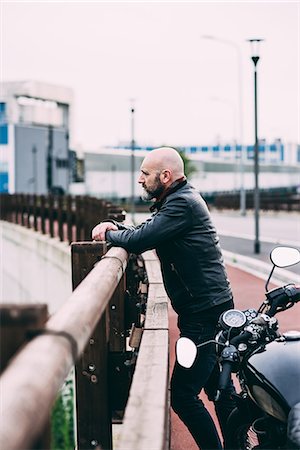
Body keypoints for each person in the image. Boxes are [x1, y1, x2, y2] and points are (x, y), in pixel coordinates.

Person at [92, 147, 235, 450]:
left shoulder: (181, 204)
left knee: (183, 395)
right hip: (208, 308)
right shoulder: (178, 200)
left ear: (165, 176)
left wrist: (108, 235)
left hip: (203, 315)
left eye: (145, 173)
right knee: (218, 390)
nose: (139, 179)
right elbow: (147, 231)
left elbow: (140, 240)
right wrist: (118, 228)